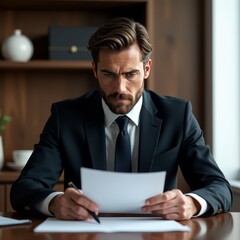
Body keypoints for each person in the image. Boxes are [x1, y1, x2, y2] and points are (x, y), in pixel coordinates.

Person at [10, 17, 232, 221]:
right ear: (95, 70)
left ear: (146, 69)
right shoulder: (66, 117)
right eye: (109, 74)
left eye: (130, 74)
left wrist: (192, 203)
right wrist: (54, 203)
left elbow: (219, 187)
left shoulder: (177, 116)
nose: (120, 88)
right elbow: (24, 189)